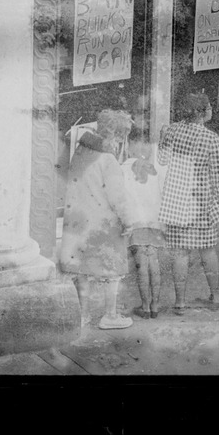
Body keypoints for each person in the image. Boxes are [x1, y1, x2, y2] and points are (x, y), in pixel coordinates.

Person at [57, 109, 141, 331]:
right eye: (124, 135)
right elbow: (118, 197)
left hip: (80, 219)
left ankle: (83, 315)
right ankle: (110, 315)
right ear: (116, 135)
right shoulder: (108, 160)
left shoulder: (81, 150)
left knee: (83, 269)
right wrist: (128, 221)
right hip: (104, 222)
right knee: (112, 269)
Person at [158, 93, 219, 314]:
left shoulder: (171, 130)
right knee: (207, 250)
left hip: (177, 201)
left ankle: (180, 302)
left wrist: (162, 138)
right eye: (209, 106)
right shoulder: (211, 139)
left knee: (180, 252)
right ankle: (216, 297)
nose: (211, 109)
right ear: (201, 111)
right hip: (201, 201)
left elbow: (162, 161)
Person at [121, 128, 167, 319]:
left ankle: (145, 306)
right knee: (153, 262)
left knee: (141, 264)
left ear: (129, 146)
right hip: (154, 222)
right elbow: (163, 194)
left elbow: (120, 197)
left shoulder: (123, 168)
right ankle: (155, 305)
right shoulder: (155, 169)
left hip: (135, 221)